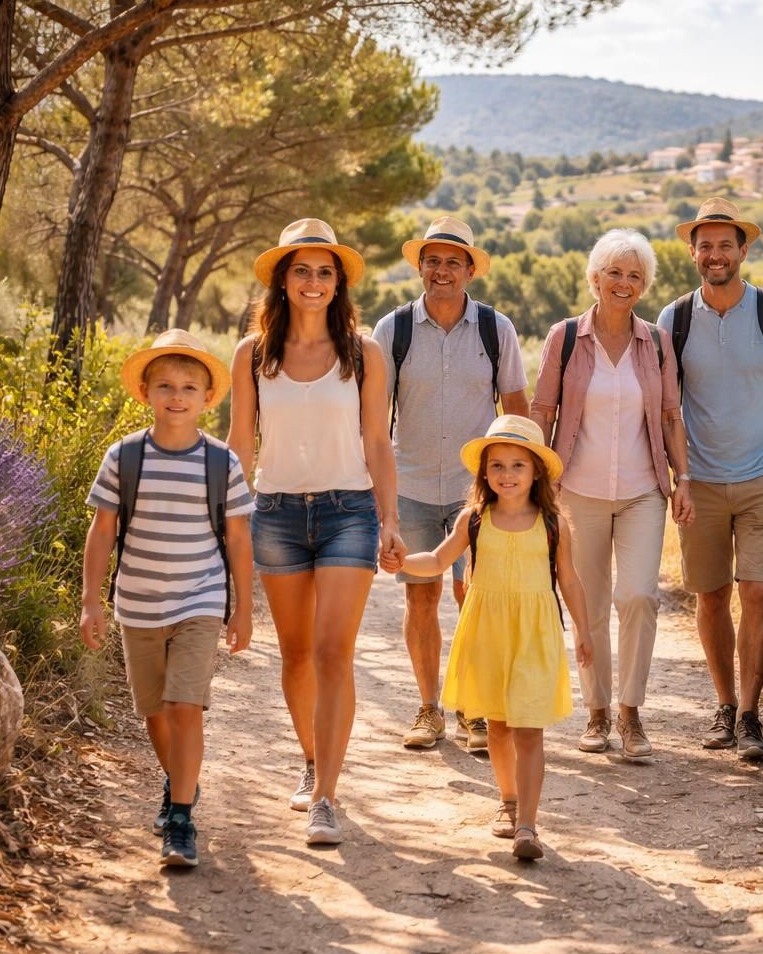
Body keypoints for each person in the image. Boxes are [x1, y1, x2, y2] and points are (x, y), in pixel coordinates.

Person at [227, 218, 404, 846]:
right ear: (282, 279)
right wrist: (227, 523)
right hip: (273, 513)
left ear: (338, 283)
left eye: (324, 271)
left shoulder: (364, 352)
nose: (313, 281)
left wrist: (388, 518)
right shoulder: (252, 355)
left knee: (333, 653)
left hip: (348, 512)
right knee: (297, 655)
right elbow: (238, 443)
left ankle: (326, 794)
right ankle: (309, 760)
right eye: (301, 270)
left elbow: (377, 443)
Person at [81, 329, 255, 868]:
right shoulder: (124, 457)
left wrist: (242, 608)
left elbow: (239, 540)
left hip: (198, 601)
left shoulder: (221, 462)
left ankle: (180, 818)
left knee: (185, 707)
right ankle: (180, 780)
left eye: (188, 387)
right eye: (164, 386)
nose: (176, 396)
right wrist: (91, 600)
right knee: (154, 713)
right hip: (137, 605)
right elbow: (102, 530)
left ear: (207, 398)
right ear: (146, 393)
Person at [385, 415, 591, 861]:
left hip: (534, 635)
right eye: (496, 465)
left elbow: (570, 581)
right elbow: (438, 561)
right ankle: (508, 800)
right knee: (497, 725)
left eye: (518, 465)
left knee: (529, 729)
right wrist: (402, 561)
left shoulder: (553, 523)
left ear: (536, 472)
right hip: (488, 633)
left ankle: (529, 826)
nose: (507, 474)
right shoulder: (474, 519)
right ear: (484, 473)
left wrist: (583, 630)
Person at [656, 198, 763, 762]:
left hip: (762, 479)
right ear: (693, 252)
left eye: (726, 245)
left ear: (743, 250)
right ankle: (724, 706)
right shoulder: (672, 321)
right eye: (706, 245)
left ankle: (751, 714)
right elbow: (664, 407)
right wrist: (677, 476)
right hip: (698, 484)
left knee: (756, 590)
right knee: (711, 596)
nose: (715, 254)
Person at [531, 228, 694, 760]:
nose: (624, 283)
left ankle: (631, 713)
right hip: (577, 490)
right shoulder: (565, 338)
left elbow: (671, 415)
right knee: (591, 605)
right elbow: (542, 410)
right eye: (615, 273)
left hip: (644, 490)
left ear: (643, 286)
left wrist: (682, 480)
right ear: (595, 279)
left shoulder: (658, 342)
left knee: (639, 596)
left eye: (634, 276)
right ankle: (597, 713)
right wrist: (535, 482)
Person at [373, 216, 530, 754]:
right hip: (411, 482)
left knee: (475, 598)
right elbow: (373, 419)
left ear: (469, 270)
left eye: (453, 262)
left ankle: (476, 709)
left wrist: (518, 487)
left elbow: (516, 411)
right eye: (433, 261)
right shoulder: (391, 330)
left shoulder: (496, 329)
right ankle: (428, 708)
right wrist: (379, 498)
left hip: (478, 492)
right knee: (422, 597)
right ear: (421, 267)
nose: (442, 271)